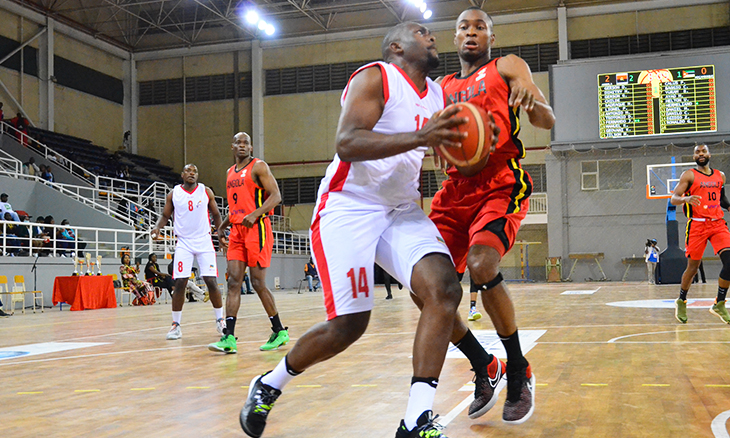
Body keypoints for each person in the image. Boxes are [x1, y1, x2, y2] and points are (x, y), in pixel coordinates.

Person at [238, 22, 473, 438]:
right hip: (349, 208)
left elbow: (435, 138)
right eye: (421, 32)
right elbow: (347, 142)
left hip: (399, 208)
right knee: (348, 325)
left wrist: (445, 147)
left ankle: (416, 419)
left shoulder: (436, 93)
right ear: (397, 46)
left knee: (445, 291)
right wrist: (421, 135)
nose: (431, 35)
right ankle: (270, 383)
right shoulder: (376, 76)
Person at [428, 7, 555, 424]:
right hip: (453, 192)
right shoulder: (441, 87)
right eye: (464, 26)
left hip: (500, 182)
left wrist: (531, 101)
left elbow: (546, 119)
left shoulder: (507, 66)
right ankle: (484, 363)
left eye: (480, 27)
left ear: (491, 37)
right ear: (454, 37)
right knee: (426, 289)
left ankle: (517, 368)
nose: (471, 32)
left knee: (482, 264)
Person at [209, 132, 289, 354]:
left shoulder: (259, 167)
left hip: (258, 228)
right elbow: (237, 207)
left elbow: (276, 196)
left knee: (257, 282)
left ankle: (279, 331)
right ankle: (229, 337)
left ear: (251, 148)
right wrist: (223, 225)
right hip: (237, 230)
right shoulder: (229, 173)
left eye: (246, 143)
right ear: (232, 147)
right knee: (234, 281)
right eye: (238, 143)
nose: (242, 146)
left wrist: (256, 214)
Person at [151, 164, 226, 340]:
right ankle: (176, 325)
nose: (192, 173)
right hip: (184, 242)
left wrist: (220, 233)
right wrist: (157, 227)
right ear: (182, 174)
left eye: (195, 171)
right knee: (180, 283)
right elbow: (165, 216)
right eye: (188, 171)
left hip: (204, 240)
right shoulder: (174, 194)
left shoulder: (205, 192)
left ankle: (220, 321)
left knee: (211, 280)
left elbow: (216, 214)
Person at [672, 144, 730, 324]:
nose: (701, 154)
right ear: (694, 156)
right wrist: (685, 199)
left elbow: (721, 199)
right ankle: (681, 300)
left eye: (703, 151)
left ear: (709, 154)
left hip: (718, 224)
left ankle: (719, 303)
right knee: (693, 268)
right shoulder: (689, 175)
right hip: (697, 226)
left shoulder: (720, 175)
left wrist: (728, 206)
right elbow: (674, 198)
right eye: (697, 152)